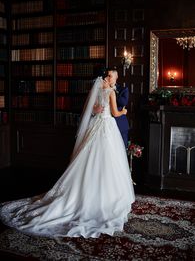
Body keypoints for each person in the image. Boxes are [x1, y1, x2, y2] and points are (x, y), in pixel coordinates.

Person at [0, 76, 135, 239]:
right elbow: (114, 112)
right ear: (108, 79)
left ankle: (85, 191)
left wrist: (99, 110)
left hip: (96, 126)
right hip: (107, 126)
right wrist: (124, 111)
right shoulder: (111, 92)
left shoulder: (97, 91)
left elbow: (92, 110)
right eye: (113, 77)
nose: (114, 80)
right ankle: (106, 196)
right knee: (108, 161)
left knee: (89, 158)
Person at [93, 67, 130, 148]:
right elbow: (94, 106)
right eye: (107, 76)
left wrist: (111, 90)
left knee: (121, 150)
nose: (108, 78)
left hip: (120, 125)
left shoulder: (123, 89)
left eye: (110, 76)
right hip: (104, 125)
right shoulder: (101, 90)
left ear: (116, 76)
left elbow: (123, 102)